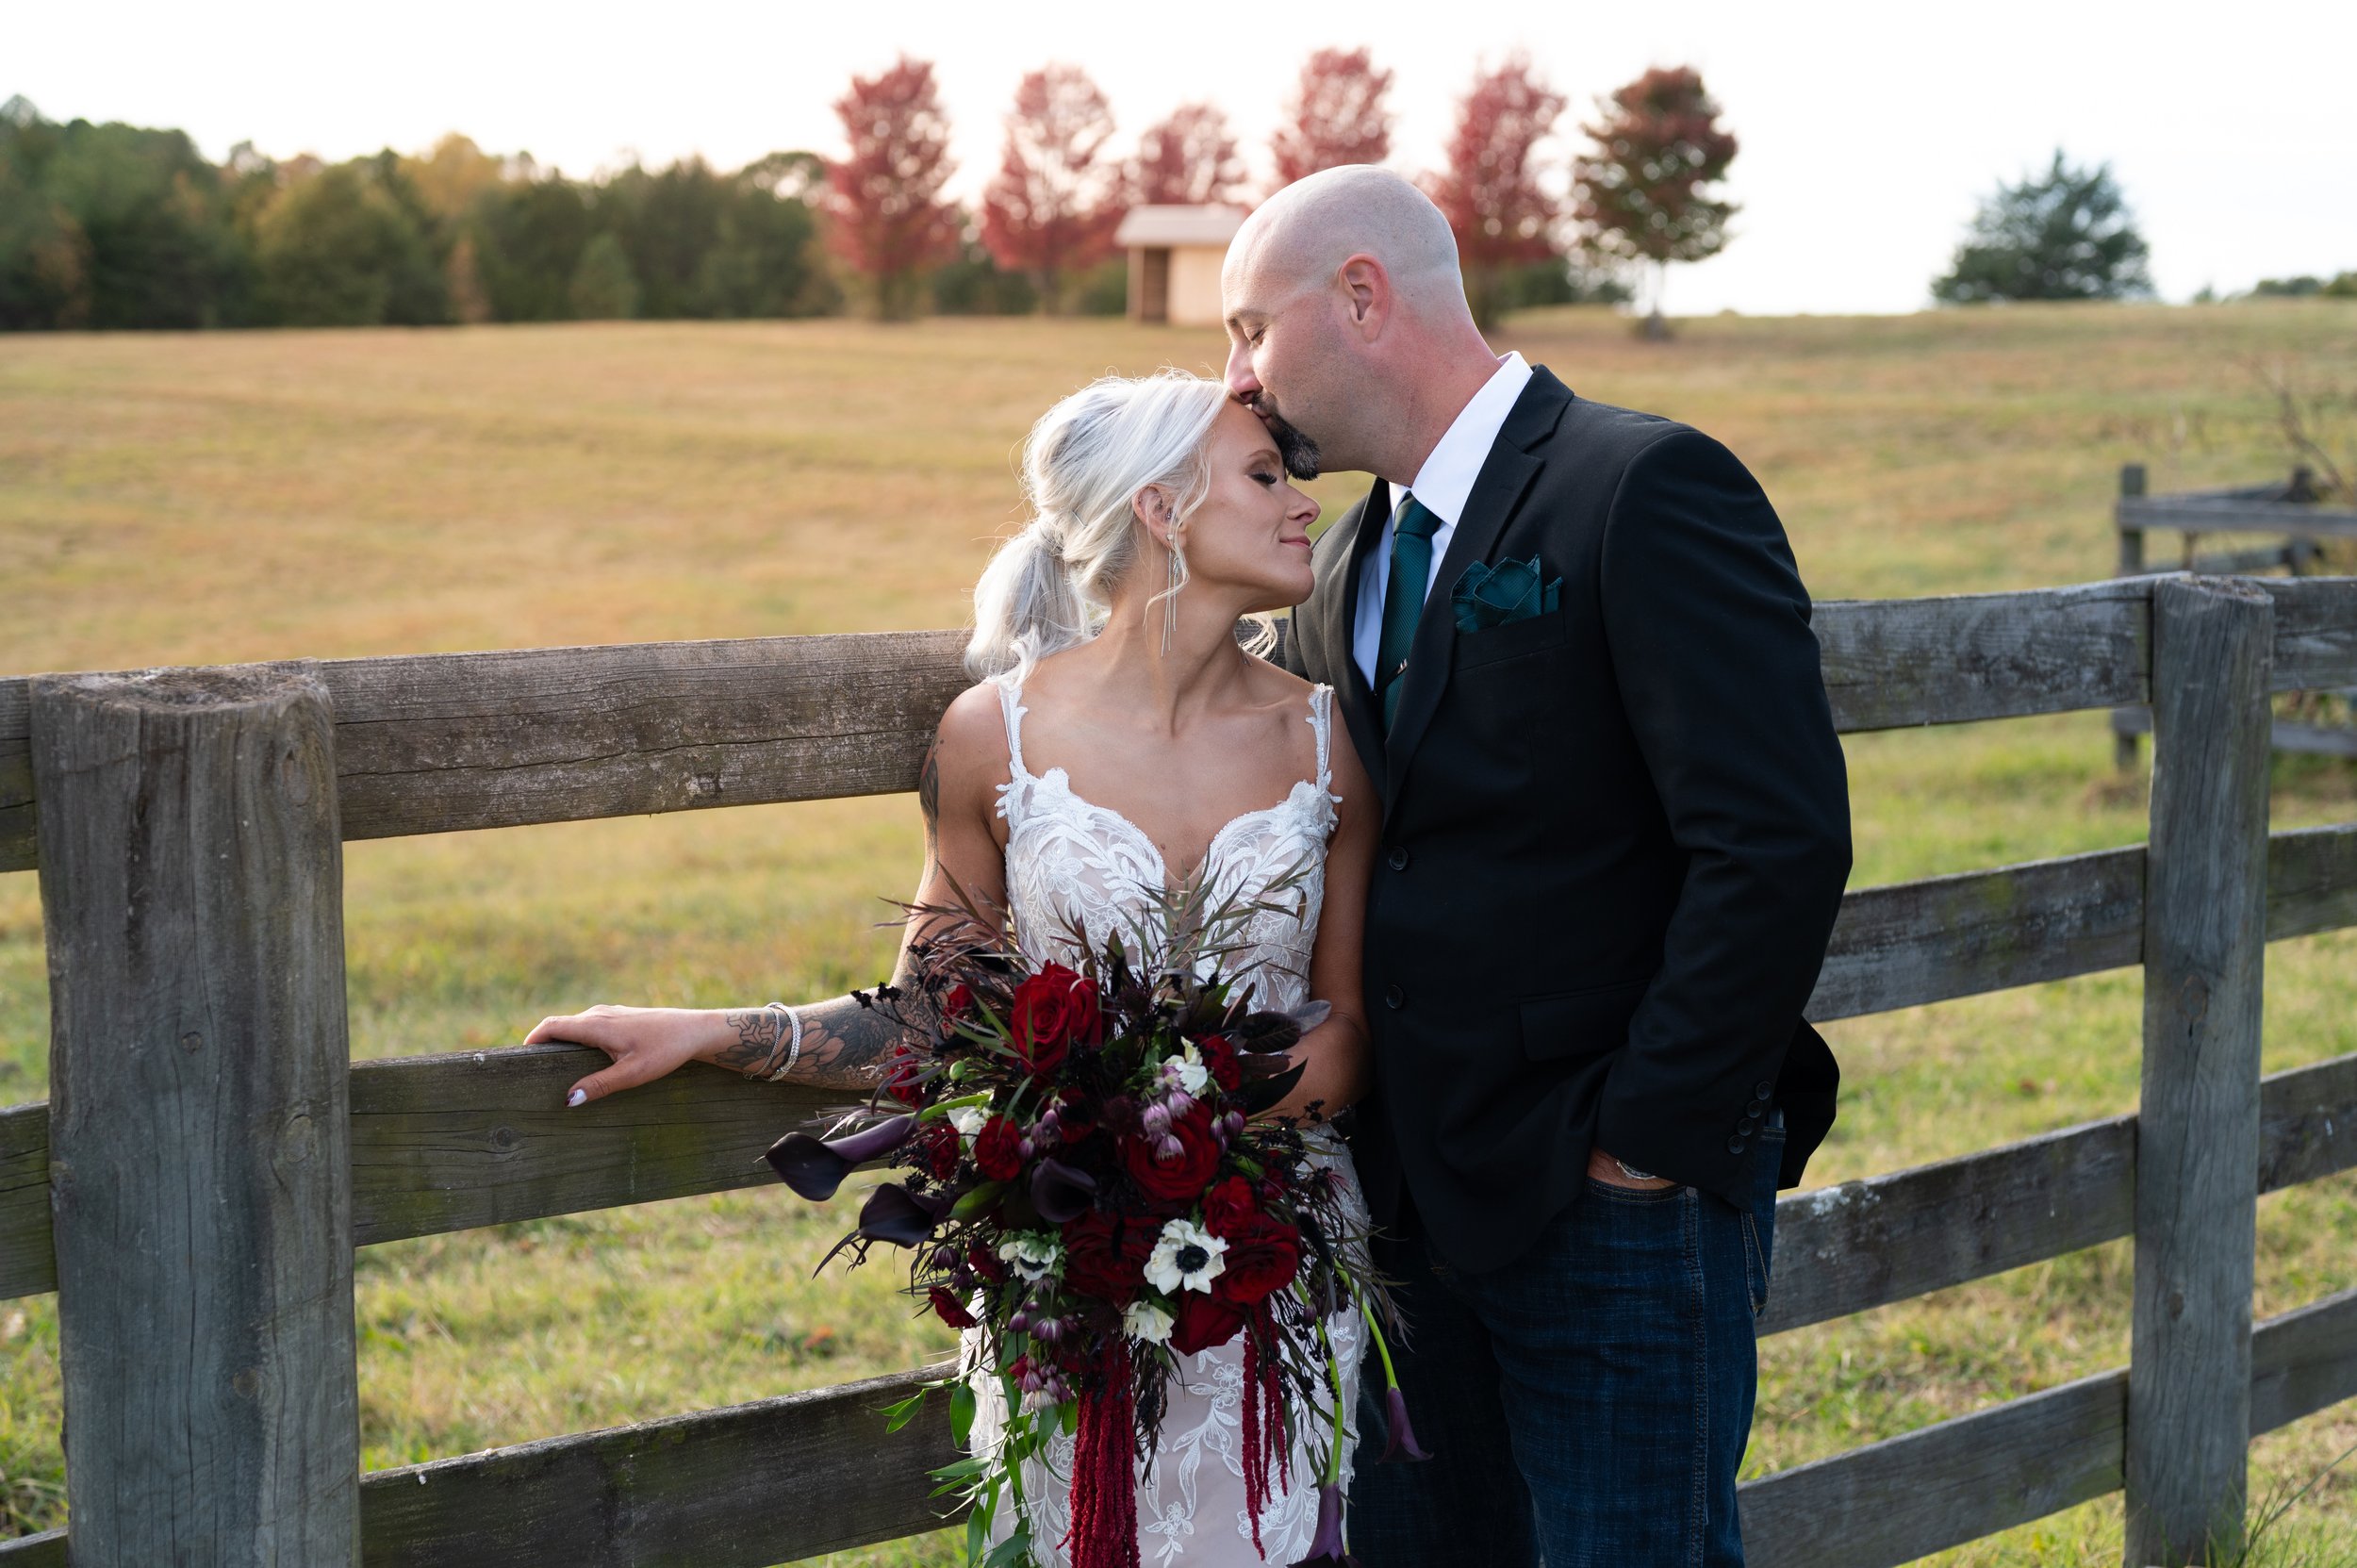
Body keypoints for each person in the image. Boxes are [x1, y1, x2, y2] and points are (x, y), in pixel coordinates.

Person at [523, 370, 1380, 1565]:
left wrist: (1165, 1142)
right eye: (1262, 475)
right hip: (1062, 1254)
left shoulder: (1330, 736)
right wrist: (715, 1031)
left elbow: (1341, 1035)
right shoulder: (996, 734)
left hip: (1273, 1251)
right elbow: (932, 1013)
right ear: (1159, 508)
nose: (1303, 504)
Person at [1220, 164, 1852, 1566]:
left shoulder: (1640, 484)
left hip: (1608, 1194)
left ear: (1362, 297)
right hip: (1402, 1205)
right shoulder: (1348, 563)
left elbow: (1775, 840)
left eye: (1248, 329)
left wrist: (1641, 1145)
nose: (1239, 376)